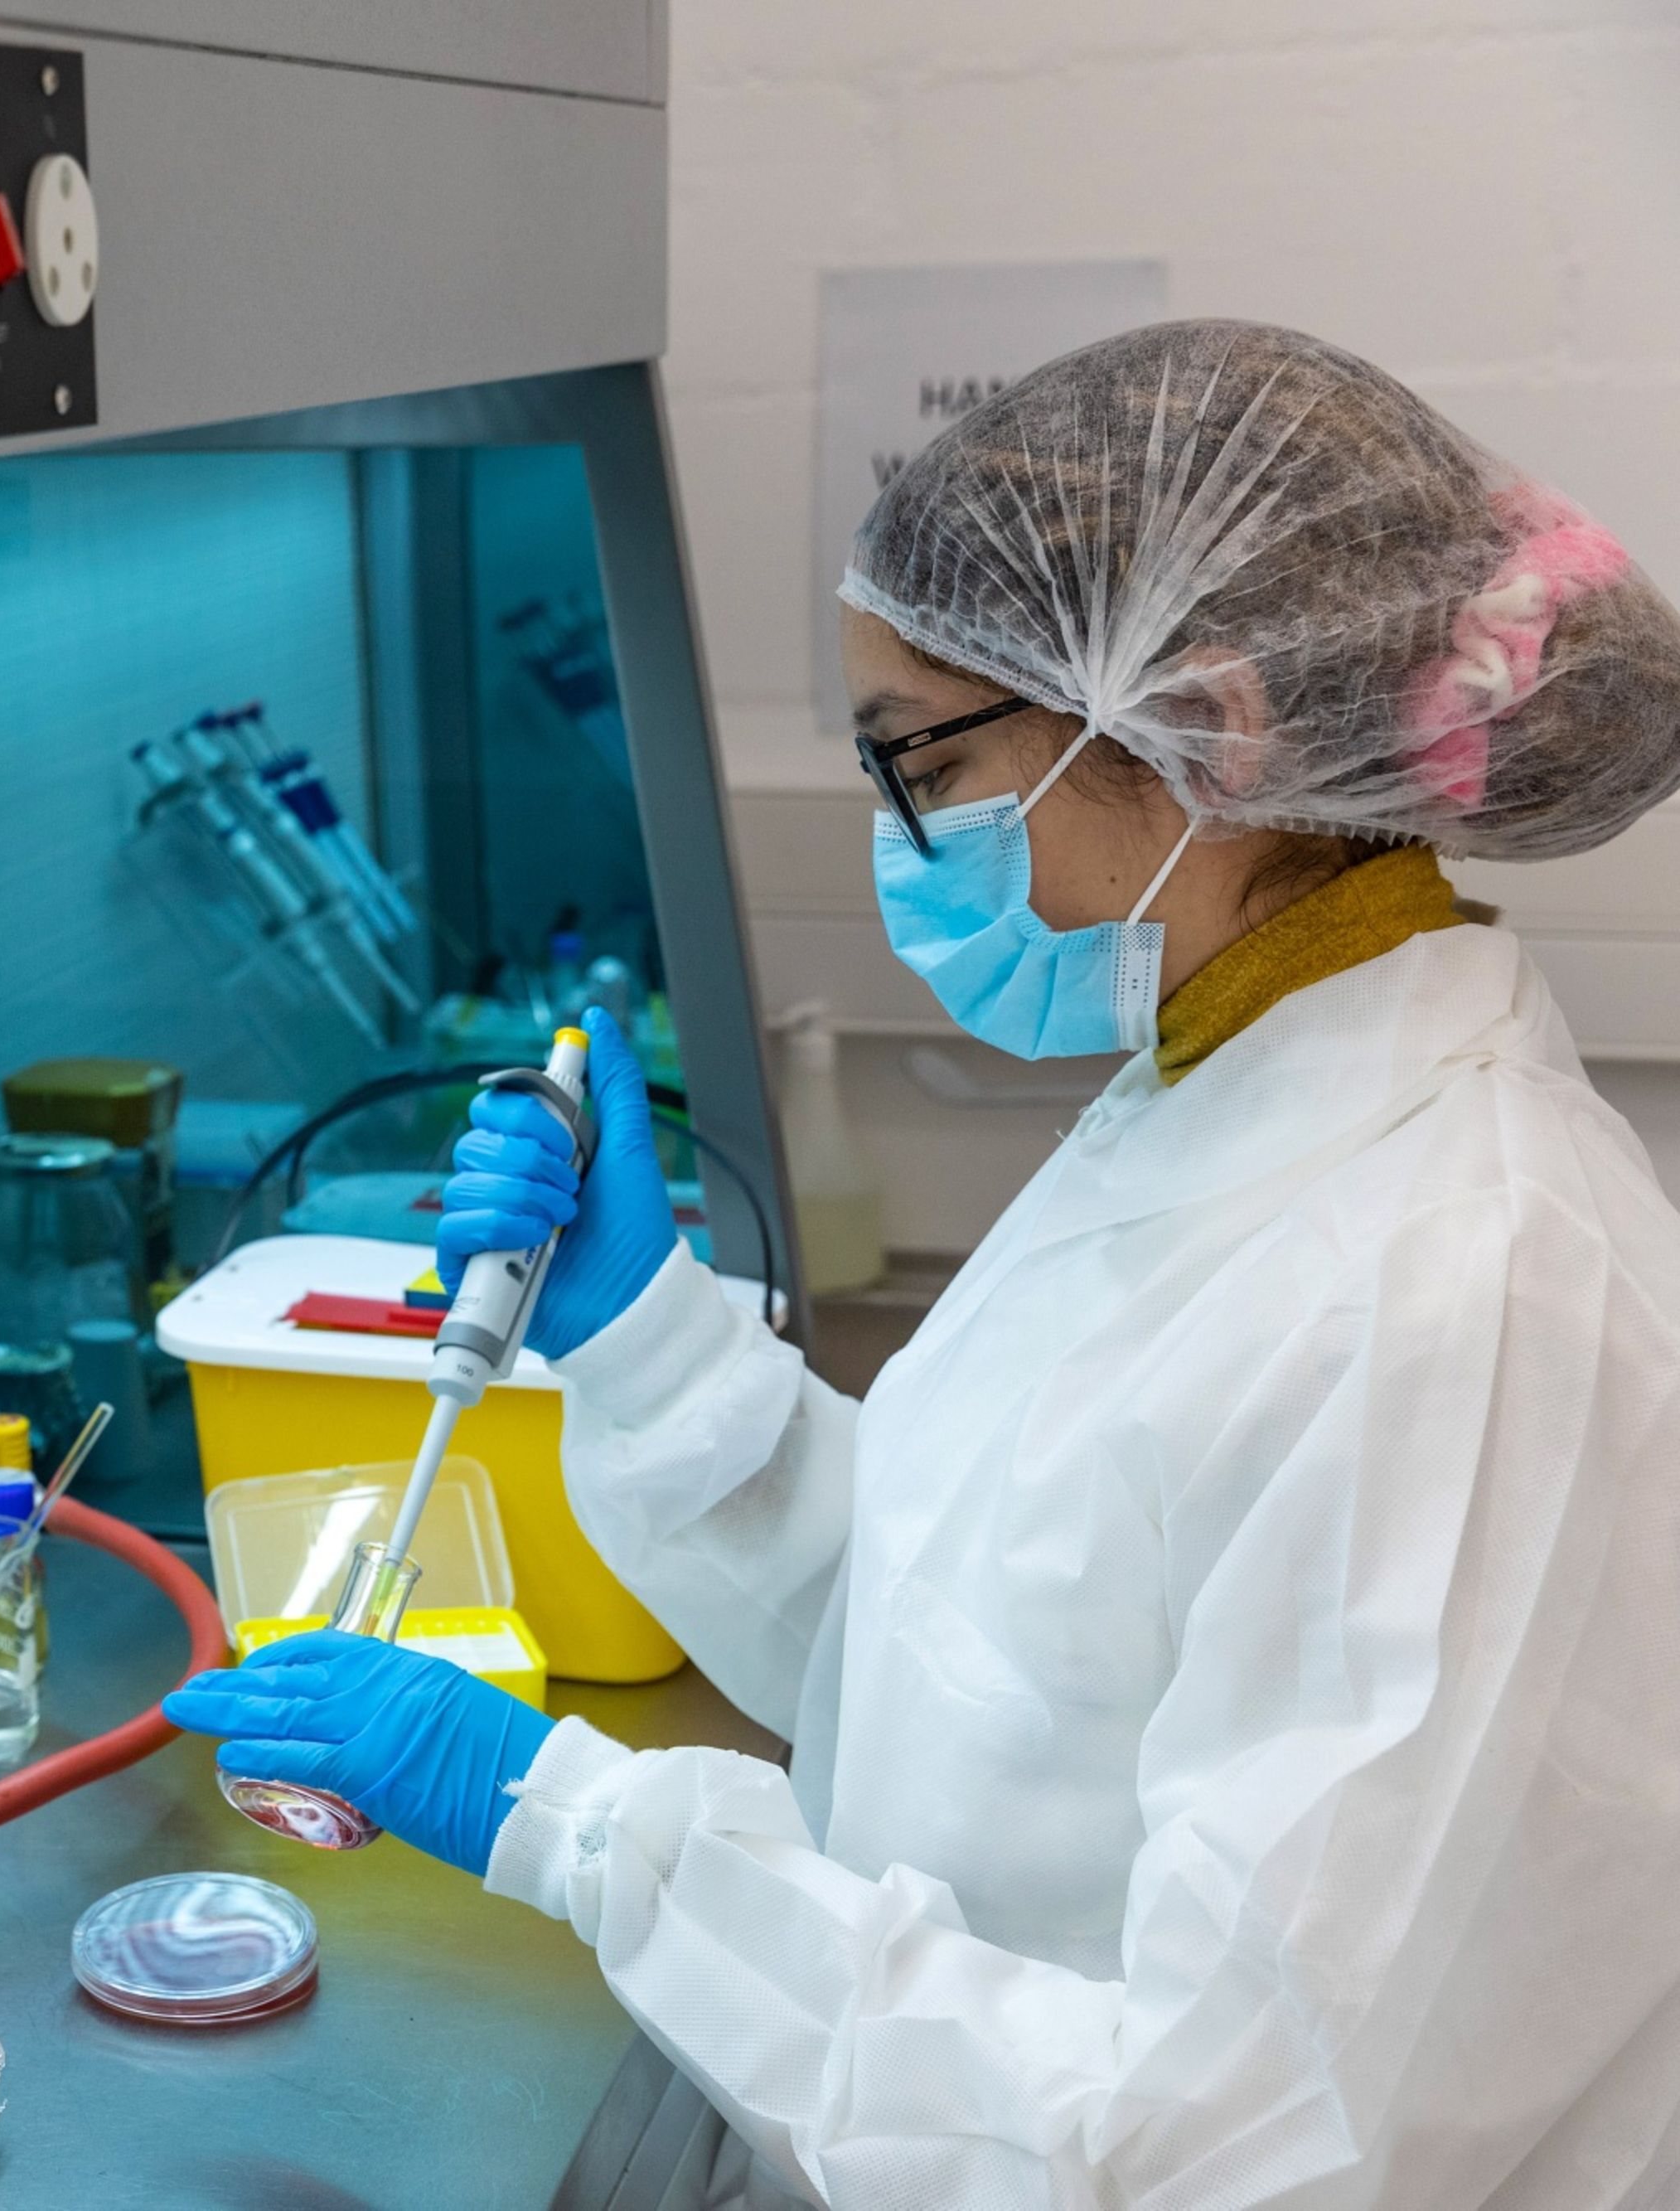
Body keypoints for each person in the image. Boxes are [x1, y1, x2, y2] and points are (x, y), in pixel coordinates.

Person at [166, 321, 1680, 2207]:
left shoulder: (1465, 1289)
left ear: (1205, 727)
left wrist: (575, 1819)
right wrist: (646, 1346)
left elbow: (1227, 2147)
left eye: (915, 765)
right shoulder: (1217, 1092)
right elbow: (980, 1671)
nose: (899, 845)